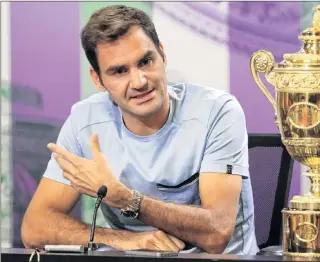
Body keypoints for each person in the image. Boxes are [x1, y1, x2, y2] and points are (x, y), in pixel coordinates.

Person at [21, 4, 258, 255]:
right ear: (98, 79)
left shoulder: (217, 111)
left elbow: (217, 234)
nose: (139, 81)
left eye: (145, 61)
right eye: (119, 71)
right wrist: (124, 240)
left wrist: (125, 199)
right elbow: (35, 229)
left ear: (162, 55)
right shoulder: (85, 120)